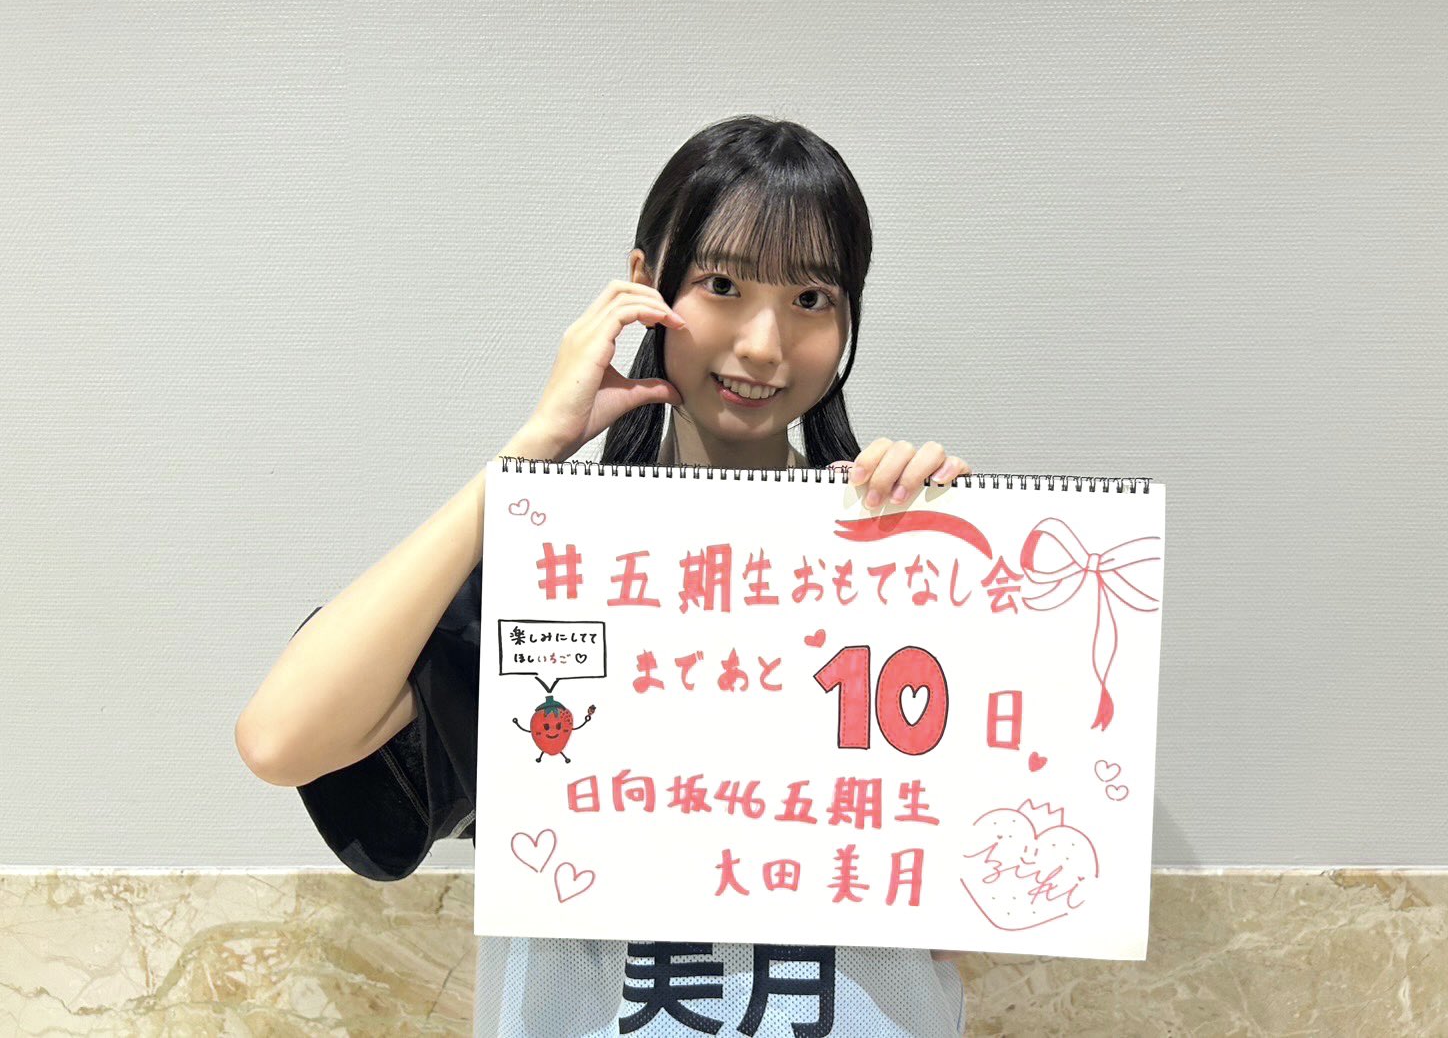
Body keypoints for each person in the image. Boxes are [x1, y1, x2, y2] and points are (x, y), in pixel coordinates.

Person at [237, 114, 976, 1036]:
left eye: (810, 297)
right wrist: (529, 457)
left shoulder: (902, 559)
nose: (762, 342)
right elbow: (282, 739)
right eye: (721, 284)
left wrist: (960, 559)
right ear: (643, 285)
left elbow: (982, 874)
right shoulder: (560, 565)